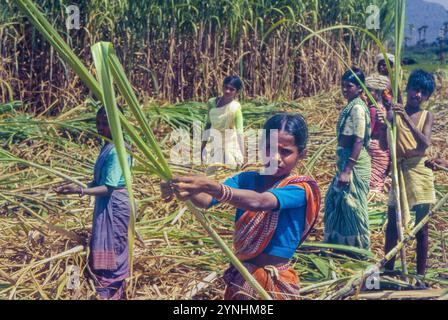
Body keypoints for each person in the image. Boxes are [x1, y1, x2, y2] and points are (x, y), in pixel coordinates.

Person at [162, 113, 321, 300]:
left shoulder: (300, 188)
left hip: (275, 282)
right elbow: (206, 200)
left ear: (302, 154)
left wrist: (210, 186)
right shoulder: (246, 179)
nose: (276, 157)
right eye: (269, 149)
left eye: (285, 151)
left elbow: (261, 202)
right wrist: (180, 185)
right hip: (243, 277)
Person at [55, 106, 132, 299]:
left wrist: (80, 191)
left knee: (111, 249)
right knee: (103, 247)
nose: (100, 127)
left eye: (105, 123)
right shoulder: (107, 145)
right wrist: (74, 187)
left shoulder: (117, 150)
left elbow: (108, 187)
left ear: (118, 123)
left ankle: (109, 293)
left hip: (114, 205)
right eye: (98, 123)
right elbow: (100, 182)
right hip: (106, 203)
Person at [384, 69, 436, 278]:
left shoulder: (426, 116)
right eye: (415, 89)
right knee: (393, 225)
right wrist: (385, 120)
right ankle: (388, 270)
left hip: (419, 172)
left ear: (427, 97)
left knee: (422, 228)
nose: (418, 95)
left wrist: (404, 117)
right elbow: (383, 142)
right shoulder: (393, 113)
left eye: (423, 93)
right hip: (400, 171)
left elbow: (425, 143)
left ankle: (420, 276)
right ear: (408, 89)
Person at [324, 67, 372, 249]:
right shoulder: (353, 105)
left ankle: (358, 249)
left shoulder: (358, 108)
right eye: (343, 85)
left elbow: (359, 140)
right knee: (338, 203)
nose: (345, 89)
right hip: (347, 161)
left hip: (354, 164)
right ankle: (340, 246)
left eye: (349, 86)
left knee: (353, 206)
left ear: (360, 88)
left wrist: (347, 170)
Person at [201, 76, 245, 172]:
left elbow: (239, 132)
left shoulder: (235, 107)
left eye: (231, 89)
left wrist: (243, 154)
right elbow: (208, 125)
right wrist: (203, 146)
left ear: (236, 92)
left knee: (230, 167)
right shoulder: (212, 103)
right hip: (214, 140)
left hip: (229, 142)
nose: (227, 91)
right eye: (225, 87)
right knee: (211, 169)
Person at [365, 74, 393, 192]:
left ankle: (374, 199)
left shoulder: (373, 109)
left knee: (374, 178)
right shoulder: (384, 108)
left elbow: (368, 132)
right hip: (383, 147)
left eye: (369, 91)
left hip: (375, 147)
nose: (366, 94)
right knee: (378, 176)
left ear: (376, 93)